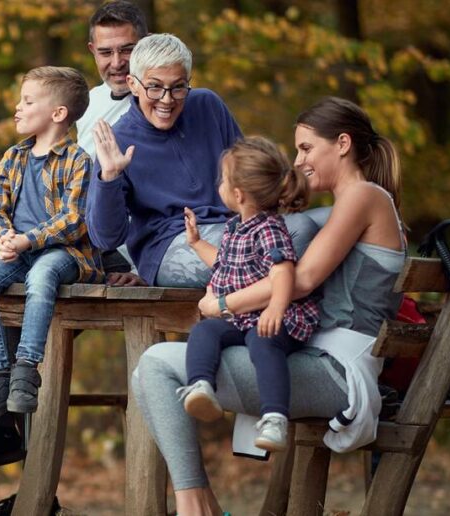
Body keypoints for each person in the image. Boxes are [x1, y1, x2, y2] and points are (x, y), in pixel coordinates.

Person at [131, 97, 406, 515]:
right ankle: (198, 505)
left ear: (343, 144)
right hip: (319, 359)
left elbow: (301, 281)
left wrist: (221, 303)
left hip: (336, 372)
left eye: (307, 148)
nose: (299, 160)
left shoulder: (363, 197)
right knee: (152, 369)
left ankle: (195, 508)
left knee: (154, 365)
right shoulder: (350, 204)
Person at [88, 33, 320, 287]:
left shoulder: (207, 105)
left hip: (238, 224)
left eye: (178, 87)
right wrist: (109, 178)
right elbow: (105, 239)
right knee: (302, 230)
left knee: (335, 220)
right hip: (173, 244)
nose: (167, 99)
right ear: (133, 84)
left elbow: (250, 173)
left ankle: (327, 324)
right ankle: (262, 316)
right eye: (154, 87)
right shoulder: (117, 141)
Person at [0, 66, 103, 429]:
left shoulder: (78, 160)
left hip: (63, 253)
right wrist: (4, 238)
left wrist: (29, 239)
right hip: (17, 251)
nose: (18, 107)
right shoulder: (13, 157)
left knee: (42, 277)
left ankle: (26, 371)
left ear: (58, 114)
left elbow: (74, 219)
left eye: (28, 100)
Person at [177, 136, 320, 452]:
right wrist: (197, 243)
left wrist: (276, 308)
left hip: (274, 317)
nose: (220, 186)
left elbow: (282, 271)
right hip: (242, 316)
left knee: (262, 342)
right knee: (204, 331)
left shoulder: (269, 227)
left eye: (223, 181)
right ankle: (201, 386)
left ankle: (274, 418)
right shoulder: (234, 227)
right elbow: (227, 265)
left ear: (238, 194)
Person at [75, 0, 147, 164]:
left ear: (147, 44)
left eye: (127, 50)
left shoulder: (164, 102)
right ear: (93, 51)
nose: (117, 63)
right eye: (106, 52)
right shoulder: (89, 101)